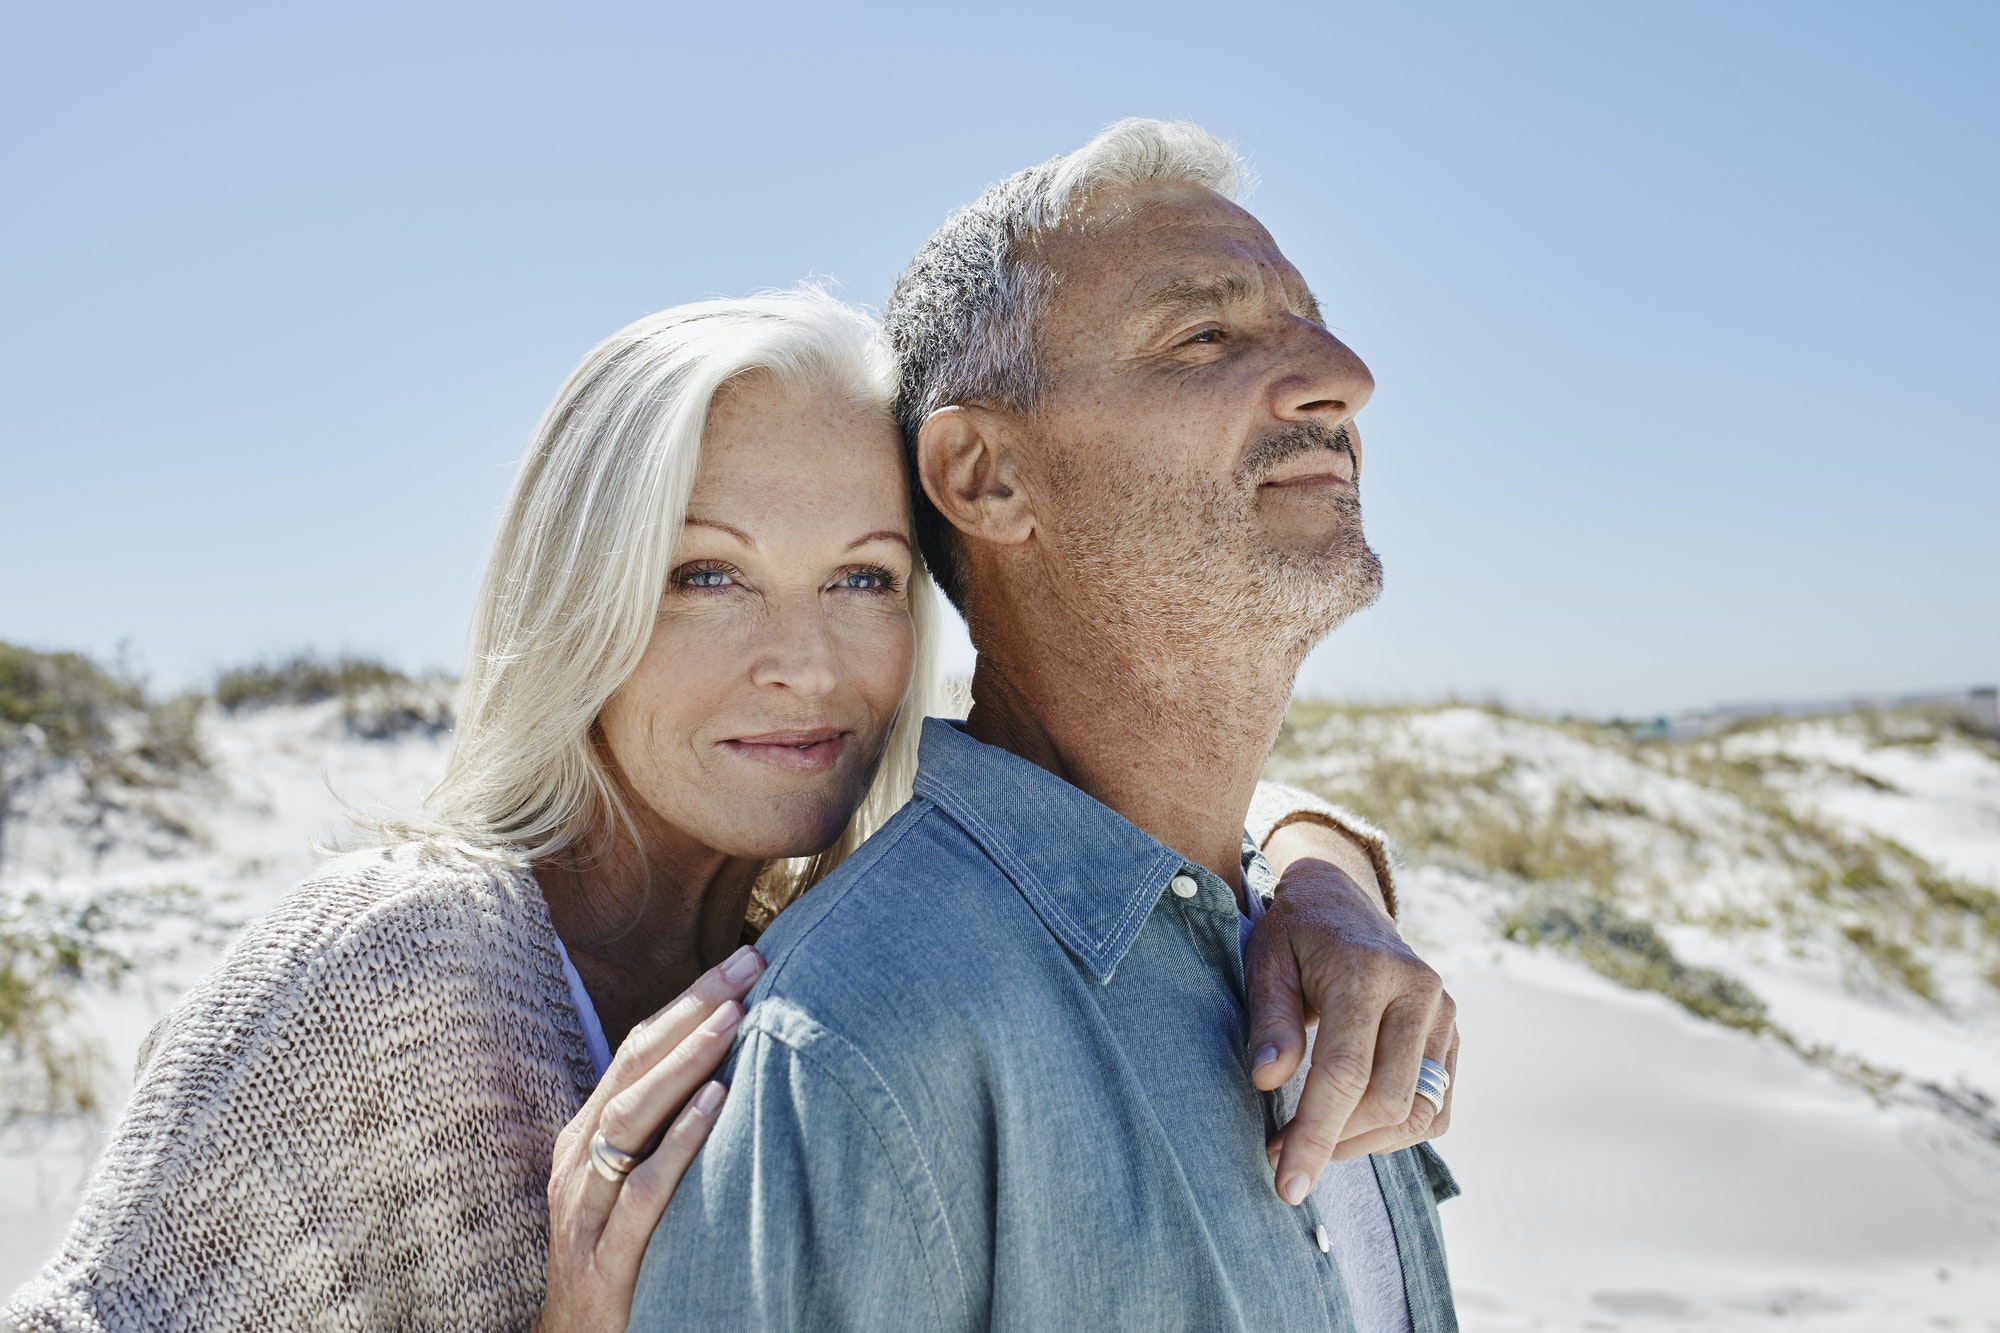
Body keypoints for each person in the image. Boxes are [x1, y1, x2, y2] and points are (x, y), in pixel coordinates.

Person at [6, 286, 1446, 1333]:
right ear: (582, 593)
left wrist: (1320, 877)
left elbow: (1111, 820)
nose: (805, 660)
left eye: (864, 577)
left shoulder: (822, 911)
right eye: (708, 574)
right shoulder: (396, 977)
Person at [629, 120, 1461, 1332]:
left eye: (1309, 321)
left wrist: (1327, 876)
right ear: (983, 478)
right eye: (1206, 335)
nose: (1345, 377)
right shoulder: (858, 1049)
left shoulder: (1321, 956)